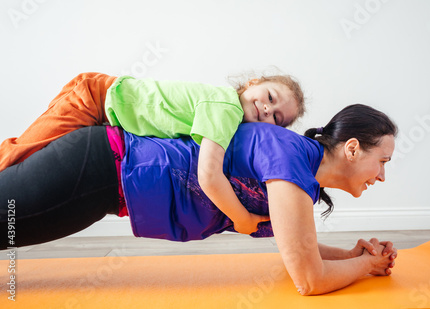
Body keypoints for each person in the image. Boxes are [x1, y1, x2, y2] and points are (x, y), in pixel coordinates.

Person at [0, 104, 398, 295]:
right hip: (100, 166)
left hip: (105, 178)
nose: (381, 175)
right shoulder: (289, 164)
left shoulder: (298, 177)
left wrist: (353, 256)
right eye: (381, 161)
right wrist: (366, 265)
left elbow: (298, 249)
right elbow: (308, 280)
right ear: (350, 149)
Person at [0, 71, 305, 235]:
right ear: (253, 83)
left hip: (100, 106)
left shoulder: (225, 114)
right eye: (270, 97)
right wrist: (241, 219)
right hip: (93, 98)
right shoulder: (225, 107)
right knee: (19, 158)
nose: (268, 109)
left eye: (276, 117)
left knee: (22, 166)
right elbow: (208, 176)